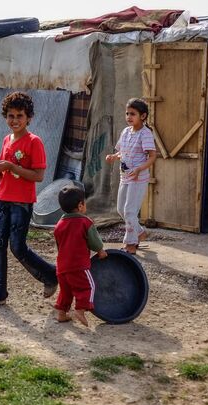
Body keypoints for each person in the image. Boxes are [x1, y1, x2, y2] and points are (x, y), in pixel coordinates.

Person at [0, 91, 58, 308]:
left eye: (20, 116)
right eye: (11, 116)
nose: (15, 120)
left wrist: (12, 167)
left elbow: (38, 176)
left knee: (17, 247)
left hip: (22, 203)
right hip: (3, 198)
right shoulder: (7, 139)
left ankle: (50, 274)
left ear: (29, 118)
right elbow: (6, 171)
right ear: (6, 117)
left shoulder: (34, 142)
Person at [105, 98, 157, 254]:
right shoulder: (126, 132)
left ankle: (131, 244)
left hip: (138, 179)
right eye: (127, 113)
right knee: (121, 209)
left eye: (132, 114)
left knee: (129, 211)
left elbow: (153, 156)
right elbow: (124, 151)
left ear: (143, 116)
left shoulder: (145, 134)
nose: (129, 117)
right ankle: (140, 232)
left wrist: (139, 169)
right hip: (125, 177)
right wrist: (115, 156)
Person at [53, 185, 107, 327]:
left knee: (66, 292)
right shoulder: (85, 222)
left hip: (62, 267)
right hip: (78, 266)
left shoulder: (59, 224)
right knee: (88, 287)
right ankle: (80, 310)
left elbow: (60, 245)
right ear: (80, 205)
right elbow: (94, 242)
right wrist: (101, 251)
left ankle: (61, 314)